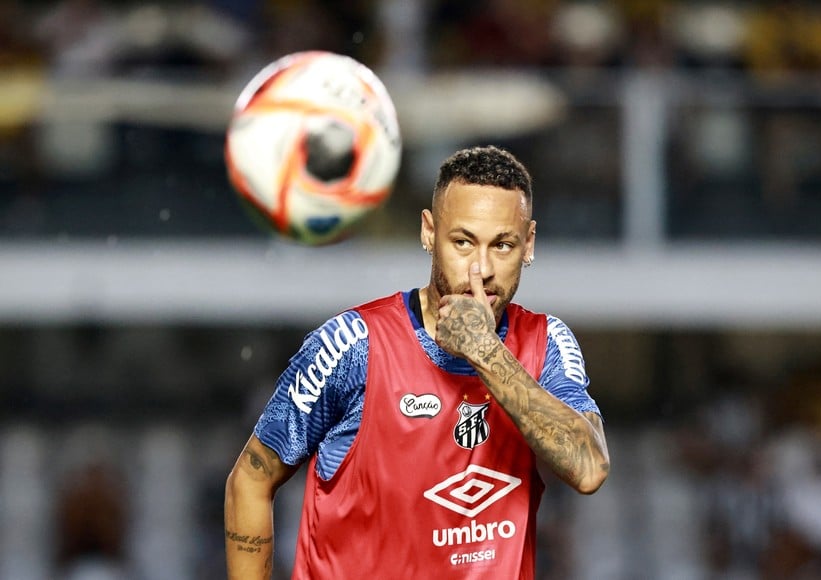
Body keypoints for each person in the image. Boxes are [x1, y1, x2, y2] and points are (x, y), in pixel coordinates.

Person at [225, 145, 610, 579]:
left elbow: (589, 467)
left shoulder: (547, 344)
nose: (480, 269)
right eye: (462, 242)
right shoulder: (353, 344)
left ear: (529, 244)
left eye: (502, 245)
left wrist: (484, 351)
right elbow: (250, 480)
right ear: (429, 232)